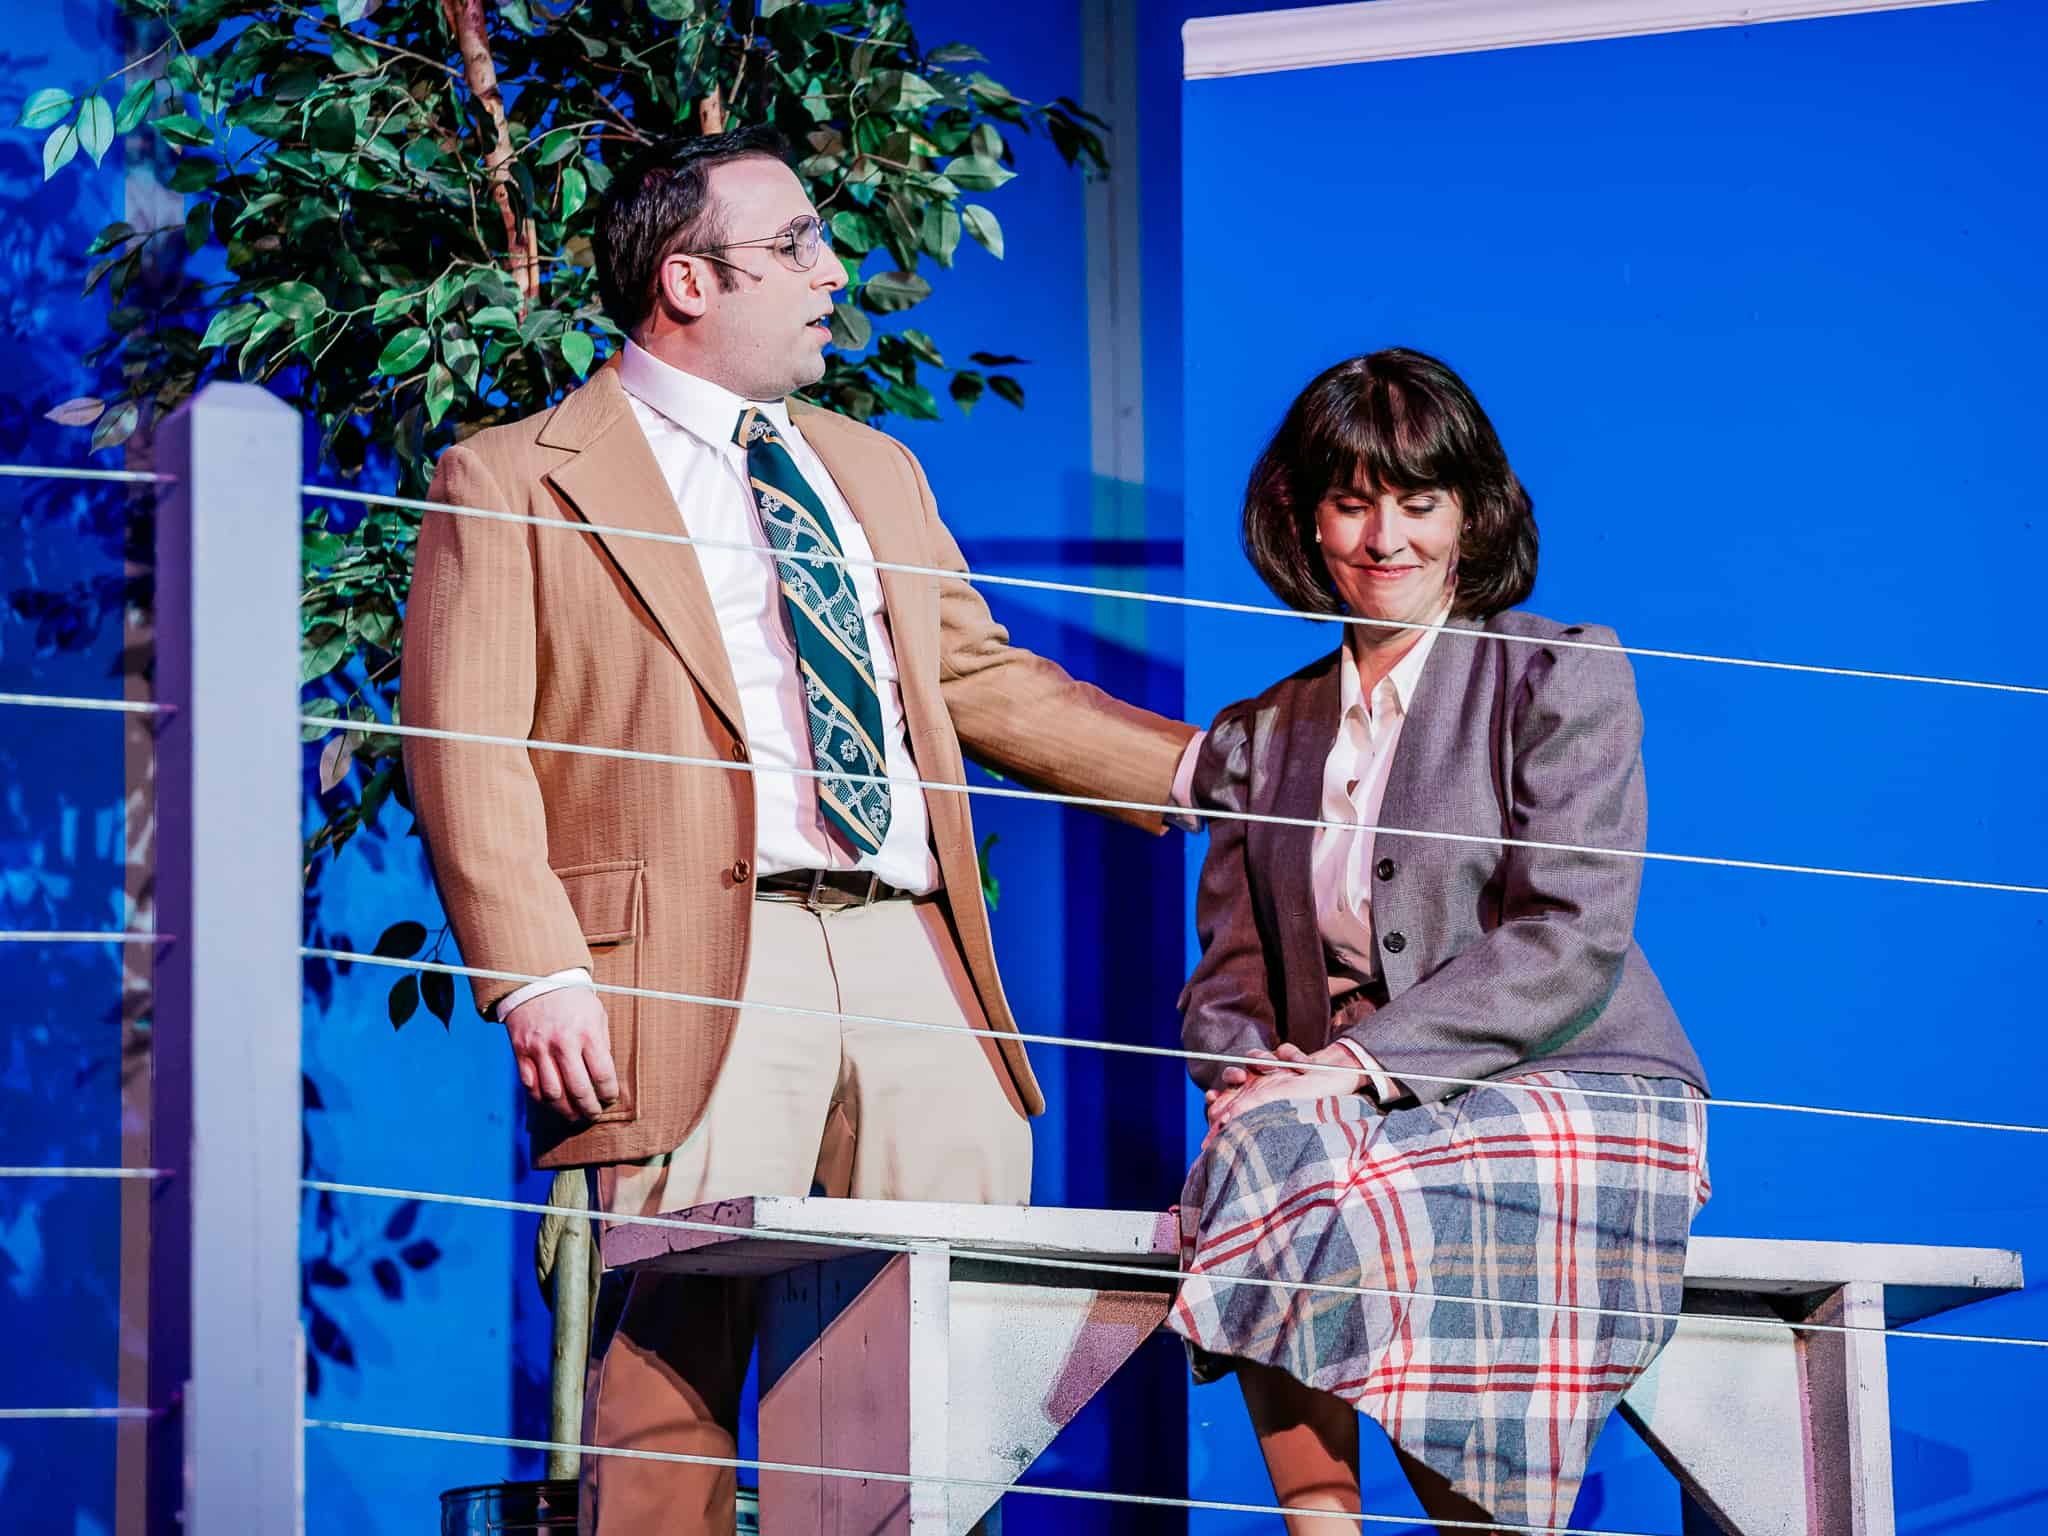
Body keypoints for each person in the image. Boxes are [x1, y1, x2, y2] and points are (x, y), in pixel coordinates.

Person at [398, 127, 1199, 1536]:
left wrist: (1206, 771)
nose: (834, 272)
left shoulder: (869, 466)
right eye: (799, 246)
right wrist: (537, 970)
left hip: (909, 950)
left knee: (941, 1368)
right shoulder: (515, 475)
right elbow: (466, 742)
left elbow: (974, 676)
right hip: (694, 959)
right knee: (671, 1368)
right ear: (688, 281)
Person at [1169, 349, 1711, 1533]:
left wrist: (1351, 1066)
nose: (1384, 538)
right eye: (1349, 503)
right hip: (1348, 1107)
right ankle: (1321, 1527)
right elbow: (1226, 979)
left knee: (1386, 1180)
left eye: (1417, 502)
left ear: (1470, 514)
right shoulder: (1259, 733)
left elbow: (1571, 934)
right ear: (1302, 522)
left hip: (1569, 1080)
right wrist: (1252, 1073)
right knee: (1264, 1146)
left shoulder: (1556, 670)